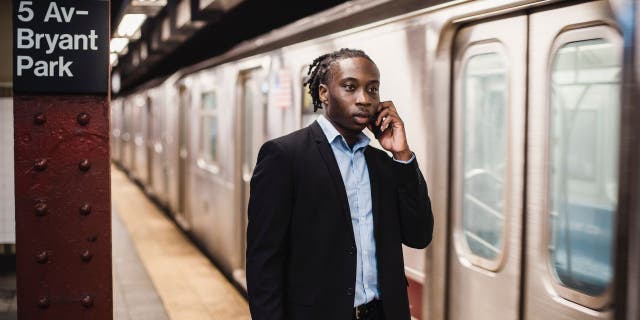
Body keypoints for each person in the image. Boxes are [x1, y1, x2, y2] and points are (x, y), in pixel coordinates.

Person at [246, 48, 434, 320]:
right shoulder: (285, 157)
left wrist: (402, 156)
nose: (364, 99)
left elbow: (419, 235)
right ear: (324, 93)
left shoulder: (382, 164)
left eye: (373, 90)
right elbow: (264, 261)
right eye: (350, 87)